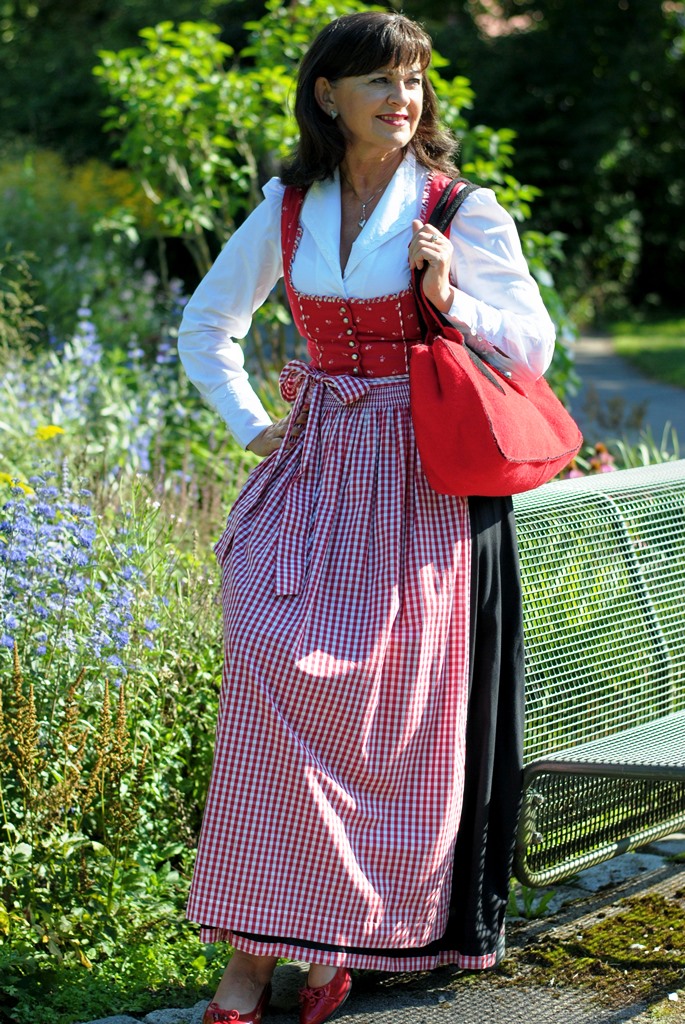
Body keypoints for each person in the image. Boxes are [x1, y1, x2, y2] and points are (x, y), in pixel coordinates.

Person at [178, 11, 555, 1024]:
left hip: (423, 479)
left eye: (417, 81)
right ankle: (261, 952)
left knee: (387, 722)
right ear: (327, 96)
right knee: (266, 665)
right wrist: (256, 427)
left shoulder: (456, 209)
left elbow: (534, 343)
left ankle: (308, 956)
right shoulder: (288, 208)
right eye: (382, 81)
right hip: (313, 471)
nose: (404, 99)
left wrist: (450, 294)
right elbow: (207, 323)